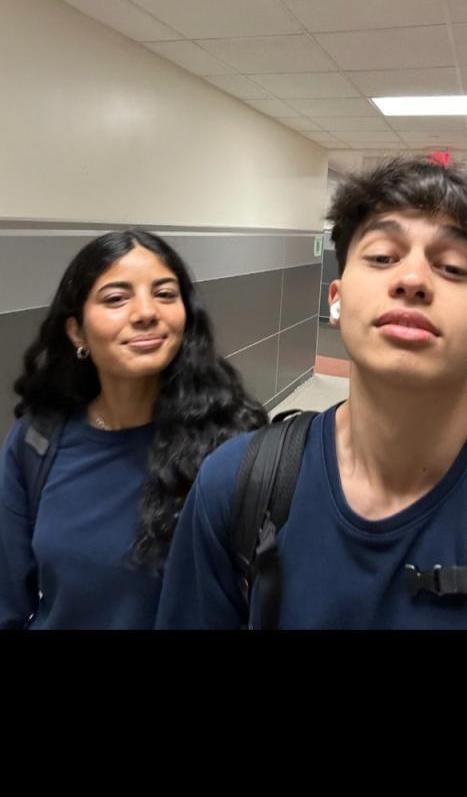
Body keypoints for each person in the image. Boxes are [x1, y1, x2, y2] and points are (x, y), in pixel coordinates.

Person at [156, 157, 467, 630]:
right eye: (382, 257)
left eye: (453, 267)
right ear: (336, 299)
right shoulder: (236, 484)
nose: (412, 280)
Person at [0, 230, 267, 629]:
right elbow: (6, 602)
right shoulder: (36, 442)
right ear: (77, 331)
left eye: (165, 294)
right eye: (116, 298)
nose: (145, 312)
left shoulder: (234, 446)